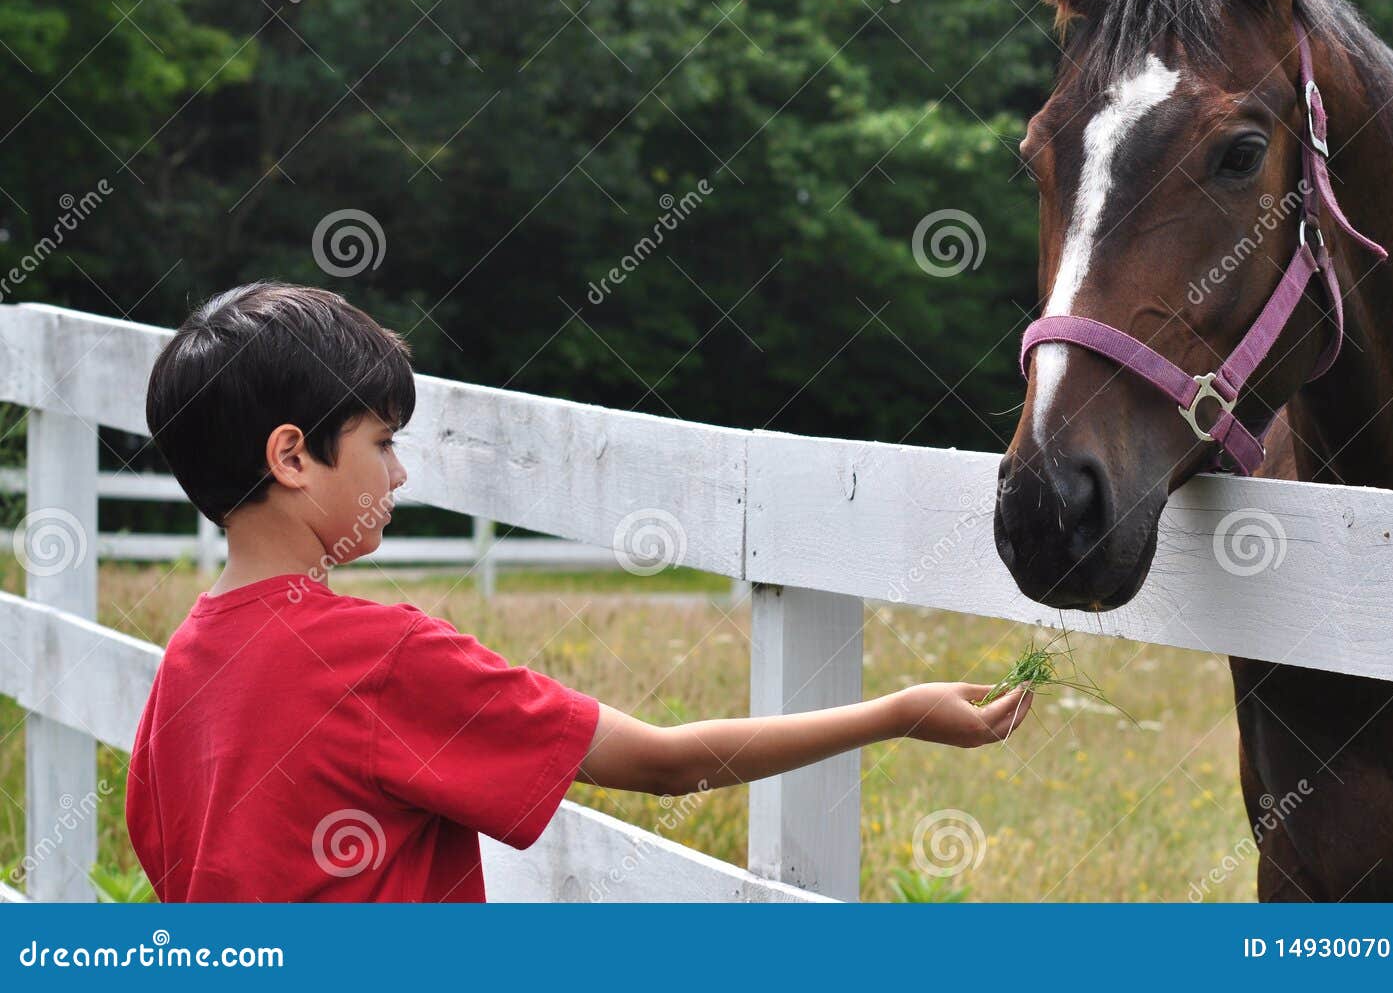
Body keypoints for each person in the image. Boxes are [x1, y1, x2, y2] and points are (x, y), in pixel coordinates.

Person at [125, 281, 1033, 901]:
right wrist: (897, 712)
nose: (398, 475)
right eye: (381, 443)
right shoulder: (380, 658)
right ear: (293, 455)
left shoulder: (183, 668)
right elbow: (664, 761)